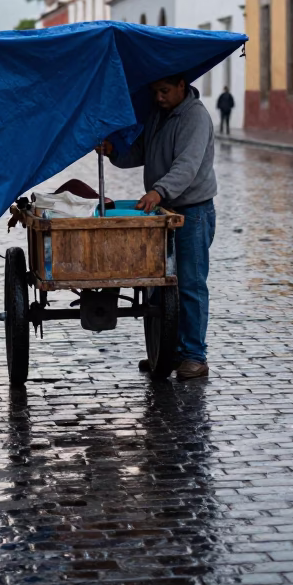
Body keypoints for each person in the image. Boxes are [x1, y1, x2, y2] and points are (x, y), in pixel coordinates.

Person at [102, 72, 216, 380]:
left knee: (190, 285)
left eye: (164, 91)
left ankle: (194, 355)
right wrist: (115, 152)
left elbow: (187, 166)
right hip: (161, 213)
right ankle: (167, 351)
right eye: (155, 91)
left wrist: (159, 191)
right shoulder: (159, 115)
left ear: (182, 86)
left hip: (192, 212)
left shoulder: (195, 117)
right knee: (160, 283)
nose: (159, 97)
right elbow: (142, 151)